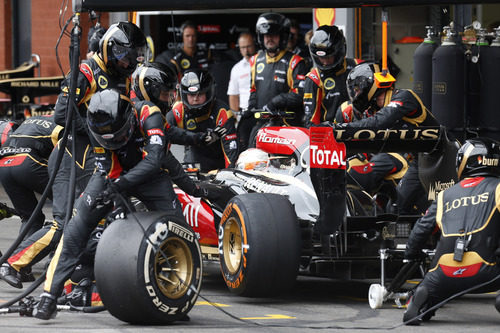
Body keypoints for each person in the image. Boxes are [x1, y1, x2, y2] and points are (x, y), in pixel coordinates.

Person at [0, 22, 147, 291]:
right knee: (65, 222)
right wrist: (98, 130)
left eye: (134, 55)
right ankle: (13, 263)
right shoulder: (87, 71)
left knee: (88, 218)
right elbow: (62, 115)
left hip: (94, 156)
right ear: (111, 49)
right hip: (71, 153)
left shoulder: (123, 78)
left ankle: (71, 273)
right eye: (126, 55)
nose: (129, 62)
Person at [34, 88, 204, 319]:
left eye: (120, 136)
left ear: (130, 120)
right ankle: (49, 296)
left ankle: (178, 296)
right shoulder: (97, 128)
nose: (115, 141)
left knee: (179, 230)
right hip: (115, 174)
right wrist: (114, 192)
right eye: (109, 139)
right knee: (76, 226)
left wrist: (121, 184)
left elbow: (155, 161)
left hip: (152, 174)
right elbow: (108, 168)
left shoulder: (149, 114)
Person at [403, 137, 500, 325]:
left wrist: (411, 255)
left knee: (432, 284)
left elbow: (420, 230)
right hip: (487, 270)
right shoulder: (497, 188)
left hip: (444, 272)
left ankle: (422, 298)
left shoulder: (444, 195)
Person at [331, 62, 440, 214]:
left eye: (357, 89)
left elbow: (378, 123)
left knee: (437, 209)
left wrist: (341, 129)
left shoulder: (405, 97)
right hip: (419, 161)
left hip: (441, 158)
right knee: (395, 209)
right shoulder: (374, 109)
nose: (356, 94)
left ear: (369, 85)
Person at [0, 115, 63, 288]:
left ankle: (21, 267)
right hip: (28, 164)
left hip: (4, 166)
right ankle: (53, 260)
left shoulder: (31, 121)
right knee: (69, 212)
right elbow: (67, 158)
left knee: (30, 218)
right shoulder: (62, 124)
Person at [239, 12, 307, 151]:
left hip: (287, 127)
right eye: (266, 35)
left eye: (274, 35)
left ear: (282, 36)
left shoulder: (295, 62)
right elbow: (253, 89)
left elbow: (300, 95)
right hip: (261, 124)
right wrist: (251, 108)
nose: (269, 38)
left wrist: (276, 101)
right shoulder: (255, 60)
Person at [166, 69, 238, 172]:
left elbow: (231, 148)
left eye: (199, 94)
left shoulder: (222, 112)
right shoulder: (177, 112)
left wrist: (229, 173)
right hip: (193, 164)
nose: (195, 99)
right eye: (191, 95)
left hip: (219, 166)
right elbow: (162, 140)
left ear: (208, 93)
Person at [303, 25, 363, 128]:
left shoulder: (359, 67)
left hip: (360, 129)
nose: (325, 61)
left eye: (329, 57)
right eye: (321, 58)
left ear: (340, 51)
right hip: (332, 134)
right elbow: (311, 123)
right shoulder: (314, 78)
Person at [227, 32, 256, 116]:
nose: (246, 51)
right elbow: (233, 95)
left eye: (249, 46)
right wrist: (236, 117)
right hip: (245, 113)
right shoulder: (237, 68)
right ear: (239, 48)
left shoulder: (265, 62)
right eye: (243, 47)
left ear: (255, 45)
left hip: (264, 111)